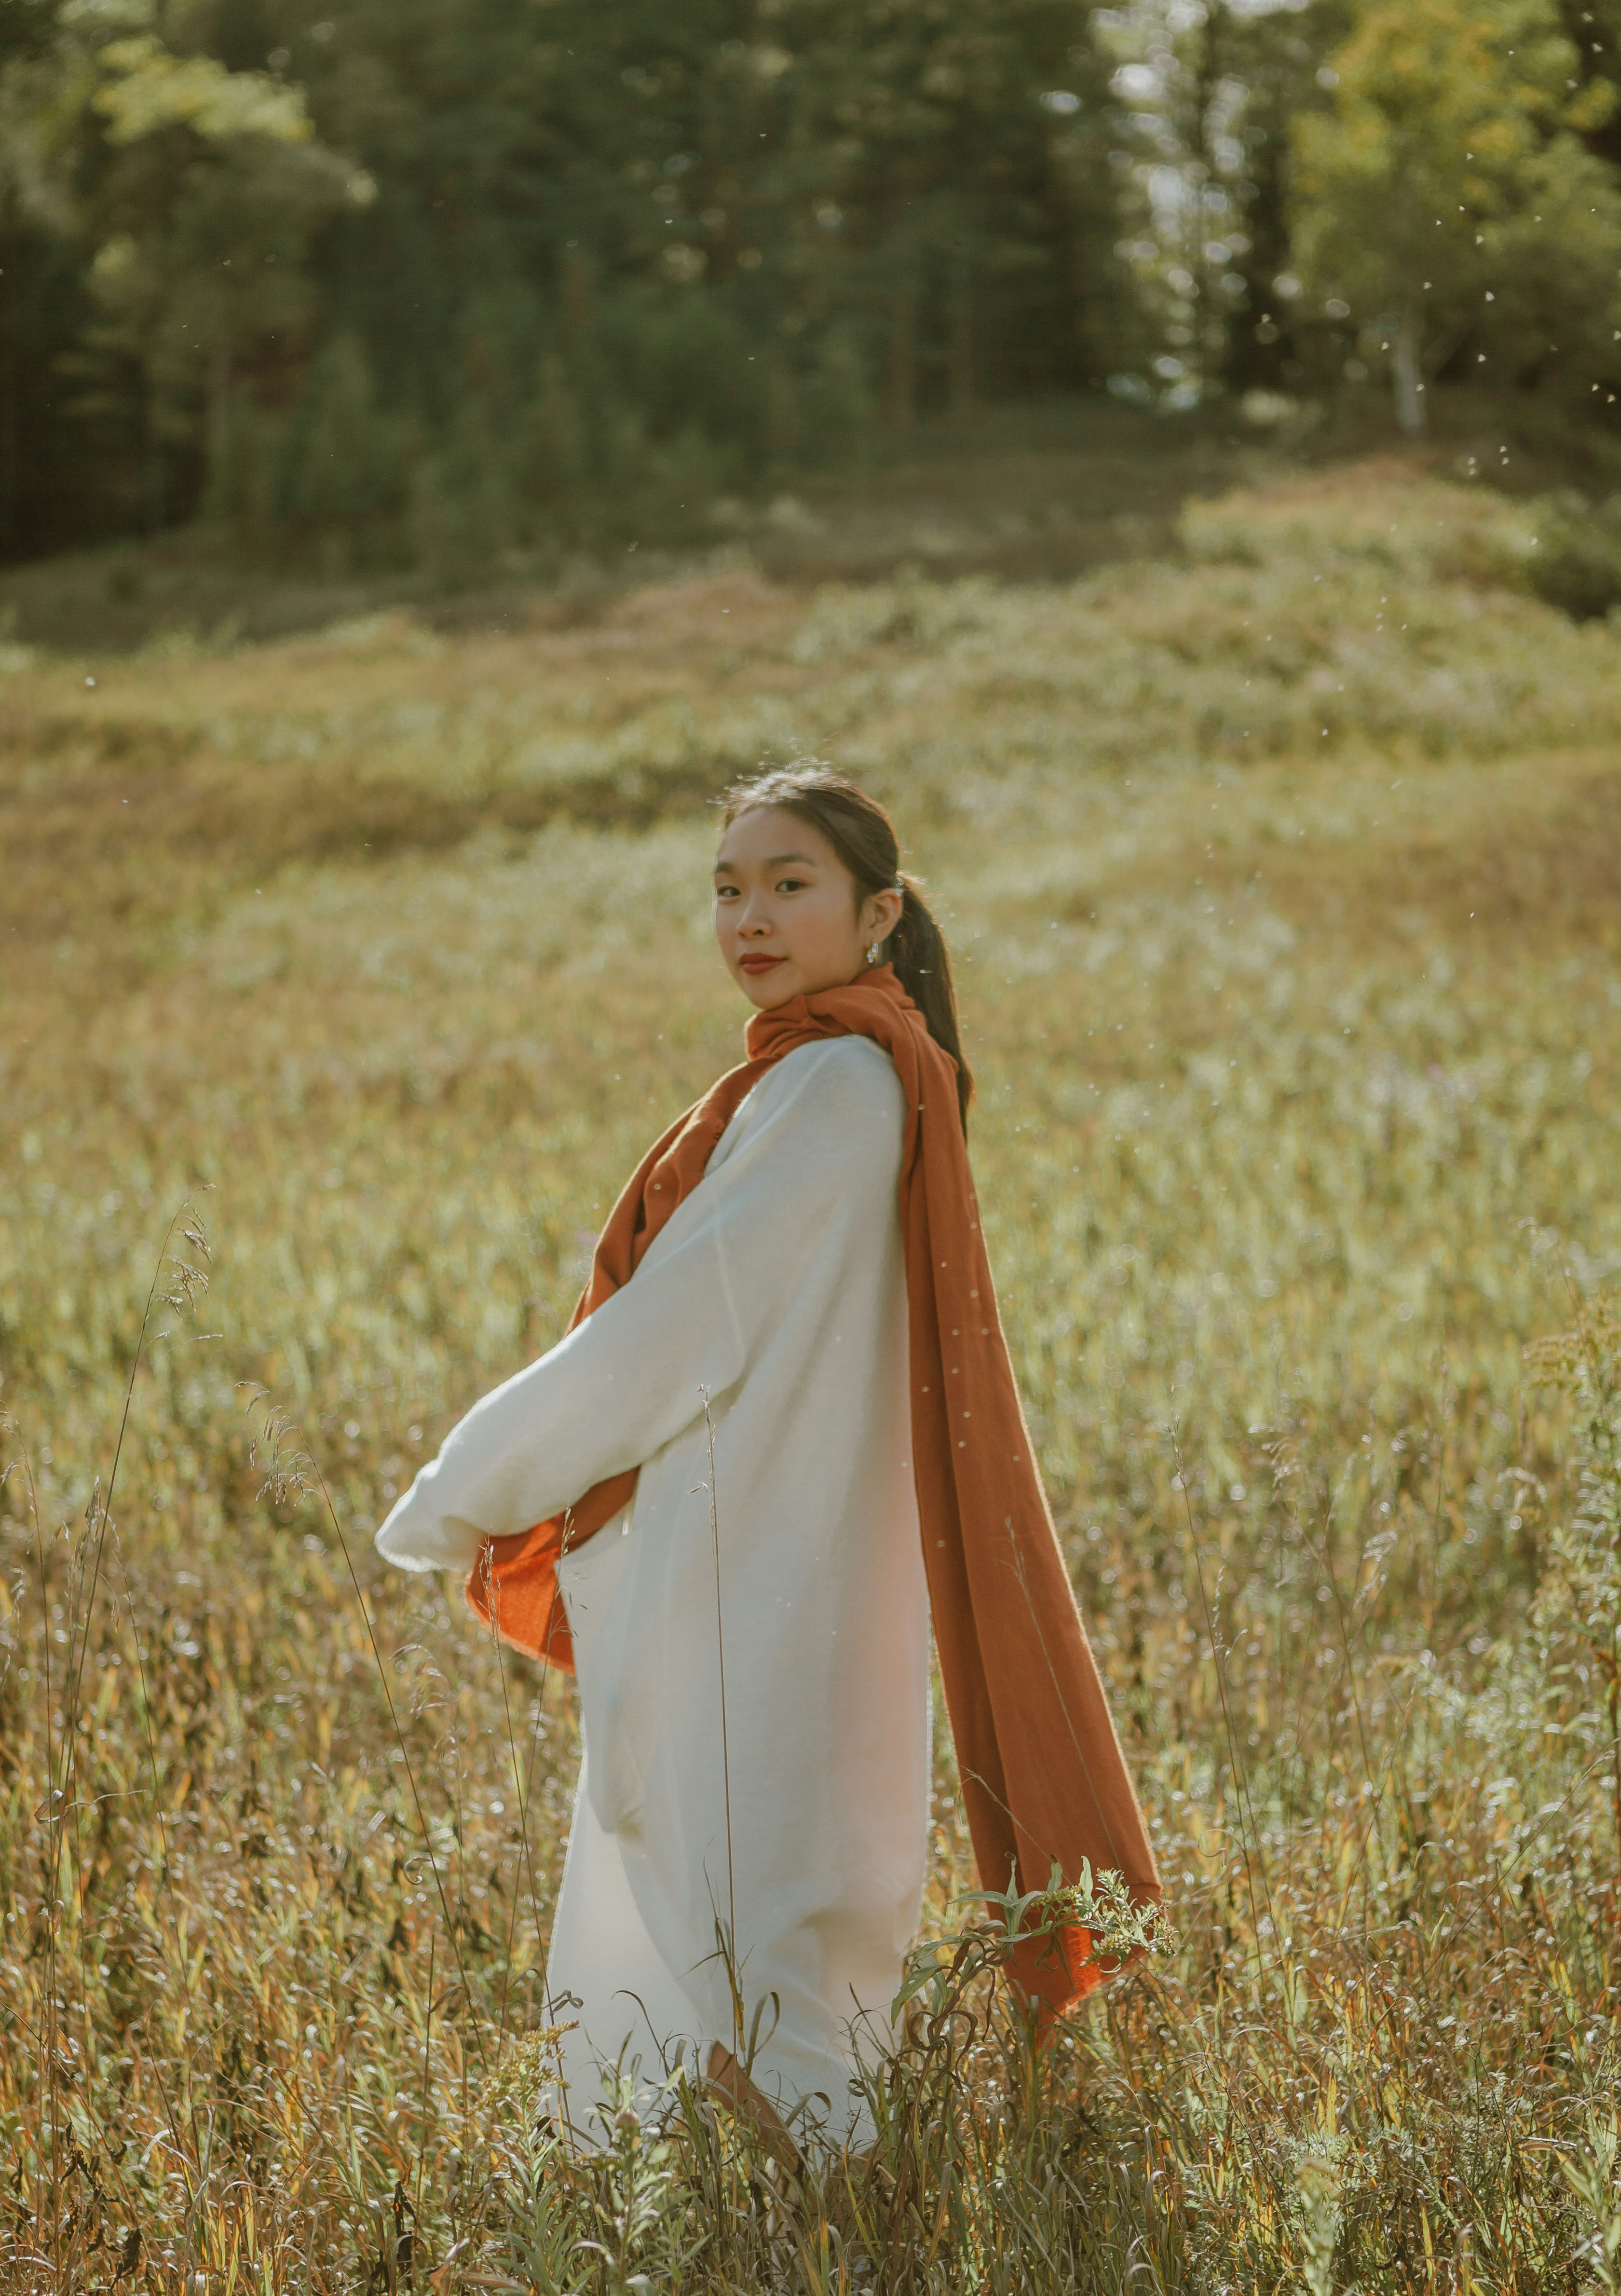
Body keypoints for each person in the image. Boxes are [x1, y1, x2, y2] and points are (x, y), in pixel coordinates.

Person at [374, 764, 1158, 2151]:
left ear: (878, 912)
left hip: (763, 1557)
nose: (749, 914)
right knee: (755, 1878)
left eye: (789, 883)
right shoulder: (841, 1071)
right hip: (768, 1540)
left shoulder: (842, 1084)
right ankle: (764, 2198)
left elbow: (677, 1330)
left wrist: (464, 1490)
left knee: (752, 1886)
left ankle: (808, 2209)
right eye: (727, 887)